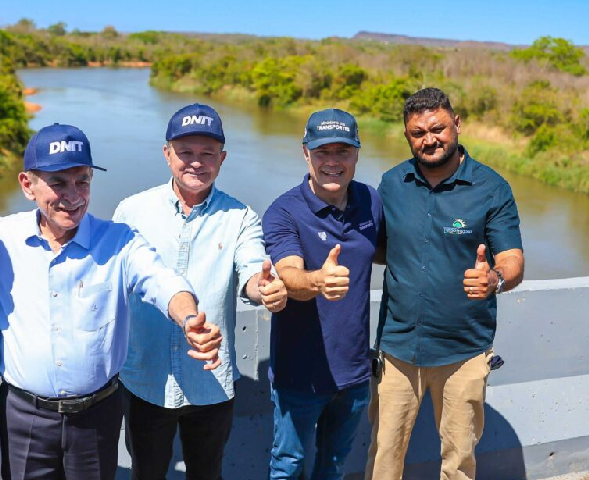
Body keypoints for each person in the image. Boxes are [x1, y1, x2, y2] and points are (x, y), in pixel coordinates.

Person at [0, 122, 223, 480]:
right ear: (27, 185)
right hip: (23, 416)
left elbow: (163, 281)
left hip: (95, 416)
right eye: (58, 183)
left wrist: (190, 320)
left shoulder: (119, 241)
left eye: (83, 181)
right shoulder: (1, 238)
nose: (73, 195)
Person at [112, 103, 288, 480]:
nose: (196, 162)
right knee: (146, 473)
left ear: (222, 159)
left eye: (207, 153)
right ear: (167, 154)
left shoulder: (240, 217)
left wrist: (267, 289)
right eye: (185, 152)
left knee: (207, 473)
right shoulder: (131, 211)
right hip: (146, 378)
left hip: (210, 381)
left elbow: (253, 273)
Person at [365, 87, 525, 480]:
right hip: (398, 348)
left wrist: (495, 279)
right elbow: (375, 247)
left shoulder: (492, 187)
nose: (429, 139)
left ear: (456, 124)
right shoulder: (392, 183)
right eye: (418, 133)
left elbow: (513, 259)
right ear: (407, 136)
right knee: (384, 456)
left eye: (438, 128)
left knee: (459, 462)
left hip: (463, 351)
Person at [261, 109, 384, 480]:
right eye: (322, 152)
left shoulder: (371, 201)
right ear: (305, 153)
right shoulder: (284, 211)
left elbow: (392, 253)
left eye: (342, 151)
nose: (333, 162)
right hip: (300, 376)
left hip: (355, 373)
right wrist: (318, 282)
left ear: (357, 154)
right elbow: (289, 274)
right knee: (288, 465)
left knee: (334, 466)